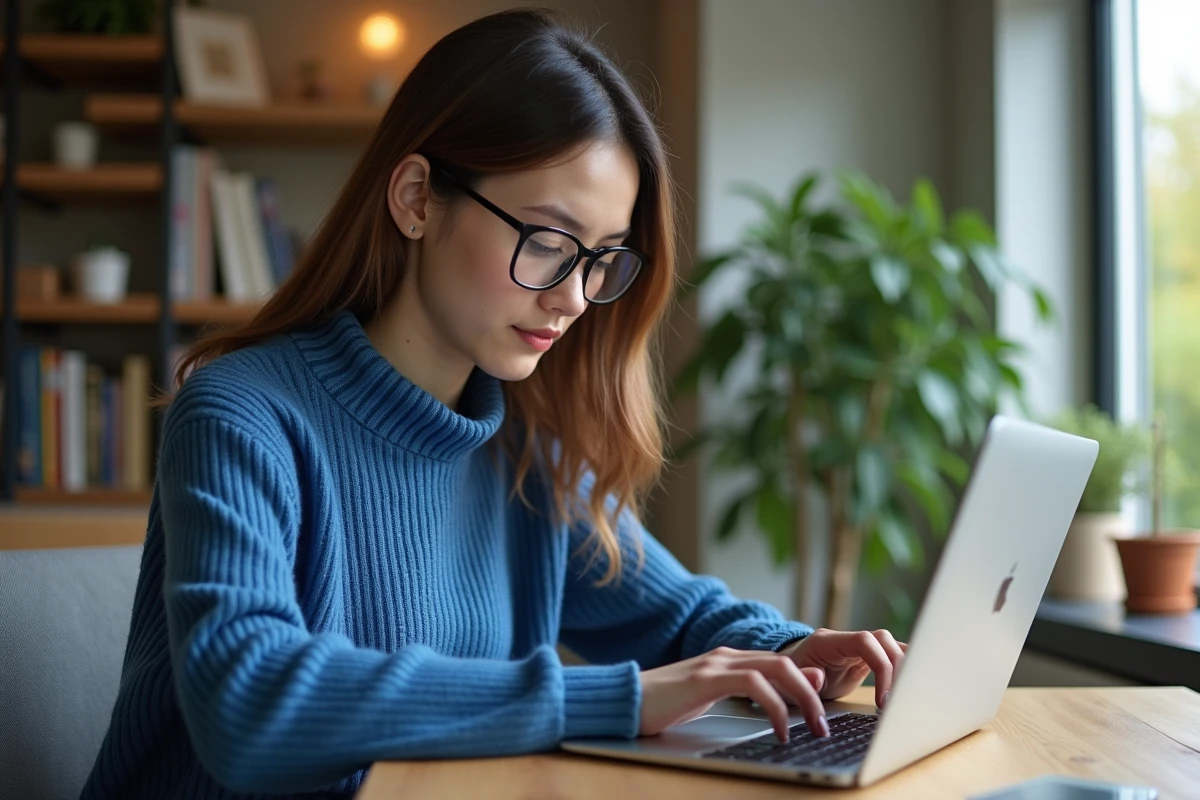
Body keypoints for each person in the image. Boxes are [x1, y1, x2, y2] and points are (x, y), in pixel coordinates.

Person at [80, 9, 905, 799]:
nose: (577, 298)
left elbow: (681, 616)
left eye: (601, 259)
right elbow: (248, 703)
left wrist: (794, 650)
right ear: (414, 199)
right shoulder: (241, 416)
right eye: (547, 241)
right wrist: (617, 700)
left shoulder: (524, 448)